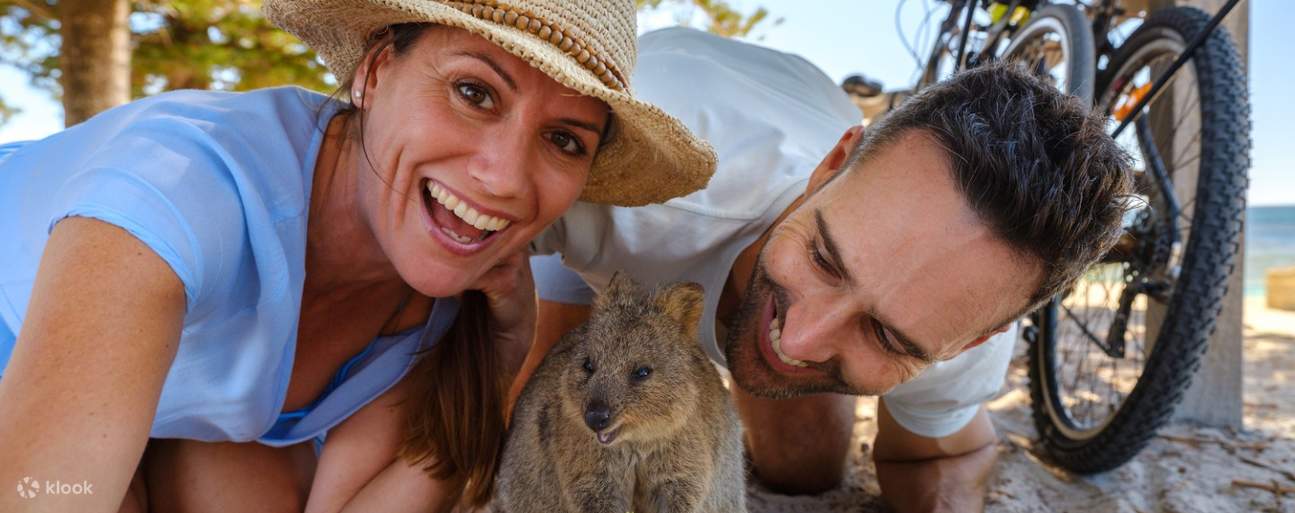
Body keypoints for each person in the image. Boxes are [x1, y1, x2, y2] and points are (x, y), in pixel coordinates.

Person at [0, 1, 716, 512]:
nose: (503, 177)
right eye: (473, 92)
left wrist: (501, 355)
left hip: (167, 421)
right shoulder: (177, 191)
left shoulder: (432, 284)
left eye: (563, 140)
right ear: (375, 71)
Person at [522, 27, 1132, 513]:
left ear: (973, 340)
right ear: (831, 166)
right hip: (666, 122)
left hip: (794, 114)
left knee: (803, 470)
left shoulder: (965, 317)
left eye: (887, 334)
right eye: (824, 258)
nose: (800, 340)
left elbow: (941, 460)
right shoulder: (619, 178)